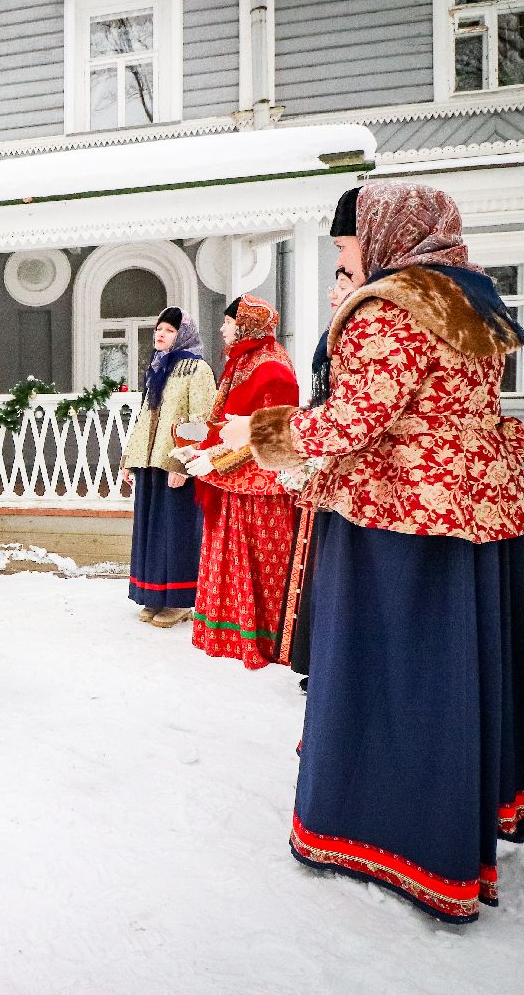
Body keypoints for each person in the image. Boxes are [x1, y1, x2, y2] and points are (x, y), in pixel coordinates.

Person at [226, 180, 524, 924]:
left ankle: (395, 836)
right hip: (472, 512)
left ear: (387, 234)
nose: (343, 258)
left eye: (347, 243)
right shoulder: (472, 297)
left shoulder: (395, 306)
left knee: (393, 676)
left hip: (396, 515)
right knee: (453, 669)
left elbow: (357, 417)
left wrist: (262, 437)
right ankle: (458, 819)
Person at [176, 295, 299, 670]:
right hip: (231, 479)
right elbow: (227, 423)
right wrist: (199, 446)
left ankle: (261, 637)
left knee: (260, 562)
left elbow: (270, 434)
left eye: (228, 323)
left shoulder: (272, 368)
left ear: (245, 325)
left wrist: (215, 463)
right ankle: (228, 633)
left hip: (260, 486)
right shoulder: (241, 362)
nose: (222, 329)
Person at [276, 187, 366, 687]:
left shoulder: (386, 320)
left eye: (342, 255)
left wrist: (266, 436)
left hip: (372, 492)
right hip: (341, 474)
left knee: (347, 589)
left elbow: (350, 414)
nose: (335, 283)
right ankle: (328, 666)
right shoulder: (351, 327)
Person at [119, 307, 216, 629]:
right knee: (151, 530)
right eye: (158, 329)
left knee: (176, 532)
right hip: (150, 462)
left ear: (183, 334)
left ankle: (179, 601)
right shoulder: (158, 367)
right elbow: (146, 416)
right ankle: (153, 595)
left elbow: (202, 419)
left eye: (169, 330)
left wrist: (183, 463)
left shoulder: (196, 369)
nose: (160, 334)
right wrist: (129, 460)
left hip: (174, 462)